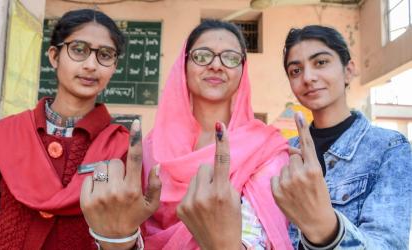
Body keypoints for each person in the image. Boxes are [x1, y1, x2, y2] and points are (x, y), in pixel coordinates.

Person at [81, 20, 293, 250]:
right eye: (202, 56)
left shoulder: (265, 148)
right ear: (183, 65)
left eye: (230, 58)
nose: (216, 65)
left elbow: (258, 239)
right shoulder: (152, 148)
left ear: (243, 69)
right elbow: (132, 227)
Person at [0, 9, 156, 250]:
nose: (91, 65)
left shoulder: (121, 149)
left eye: (105, 55)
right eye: (79, 50)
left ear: (114, 66)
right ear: (54, 56)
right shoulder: (5, 135)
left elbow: (129, 231)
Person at [271, 25, 412, 249]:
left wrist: (326, 228)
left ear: (348, 70)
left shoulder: (390, 149)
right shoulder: (284, 153)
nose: (308, 77)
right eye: (295, 70)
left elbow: (389, 245)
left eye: (321, 62)